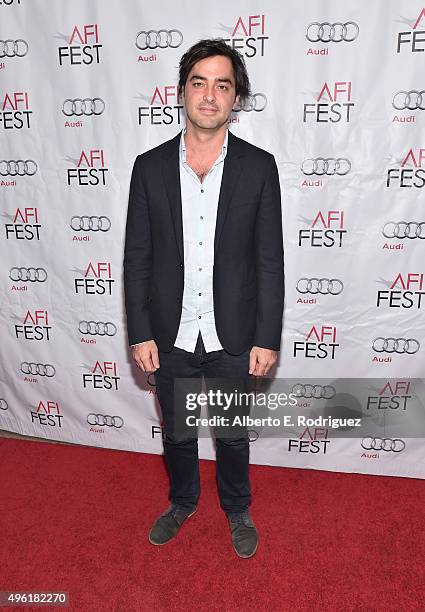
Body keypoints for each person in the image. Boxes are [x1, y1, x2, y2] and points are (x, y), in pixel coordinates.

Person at [123, 38, 284, 559]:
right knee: (177, 433)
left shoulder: (260, 168)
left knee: (233, 435)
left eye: (223, 84)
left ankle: (237, 507)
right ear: (182, 91)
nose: (210, 95)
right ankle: (183, 500)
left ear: (235, 98)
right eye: (200, 82)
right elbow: (137, 258)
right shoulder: (148, 167)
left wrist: (266, 336)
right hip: (170, 330)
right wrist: (141, 330)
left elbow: (269, 260)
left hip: (232, 330)